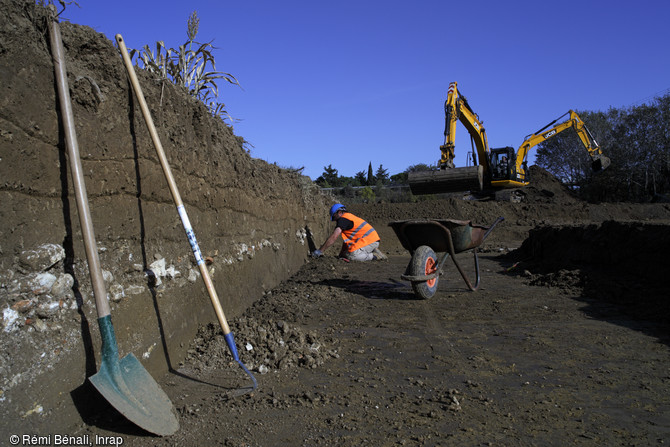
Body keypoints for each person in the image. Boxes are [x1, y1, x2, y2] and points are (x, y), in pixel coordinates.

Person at [311, 204, 387, 261]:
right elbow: (347, 242)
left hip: (370, 241)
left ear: (339, 212)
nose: (335, 220)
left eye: (334, 217)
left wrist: (320, 251)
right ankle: (372, 250)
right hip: (369, 240)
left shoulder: (343, 219)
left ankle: (375, 256)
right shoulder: (348, 218)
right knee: (346, 254)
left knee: (352, 256)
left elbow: (334, 237)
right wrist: (341, 255)